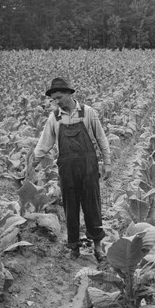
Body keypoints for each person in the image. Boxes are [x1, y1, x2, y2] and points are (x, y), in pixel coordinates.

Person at [33, 77, 112, 261]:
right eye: (54, 99)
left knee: (92, 205)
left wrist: (107, 163)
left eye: (59, 97)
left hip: (88, 166)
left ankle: (98, 246)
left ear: (69, 94)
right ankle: (73, 245)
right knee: (70, 207)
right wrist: (30, 166)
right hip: (67, 169)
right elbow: (43, 145)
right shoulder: (54, 118)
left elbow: (101, 139)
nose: (56, 102)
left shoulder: (88, 112)